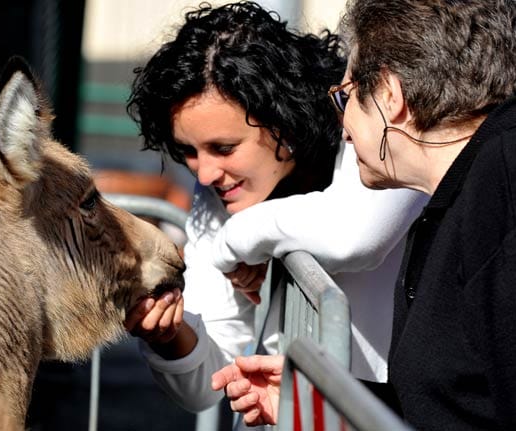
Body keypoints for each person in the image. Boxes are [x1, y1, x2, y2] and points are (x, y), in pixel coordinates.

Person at [213, 0, 516, 429]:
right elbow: (453, 403)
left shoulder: (501, 190)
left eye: (345, 97)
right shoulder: (461, 197)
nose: (343, 126)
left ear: (390, 97)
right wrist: (332, 402)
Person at [123, 0, 427, 417]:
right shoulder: (224, 185)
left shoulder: (373, 125)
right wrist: (170, 336)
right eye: (187, 151)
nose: (206, 173)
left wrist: (232, 242)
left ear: (284, 118)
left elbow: (354, 235)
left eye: (224, 147)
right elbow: (209, 385)